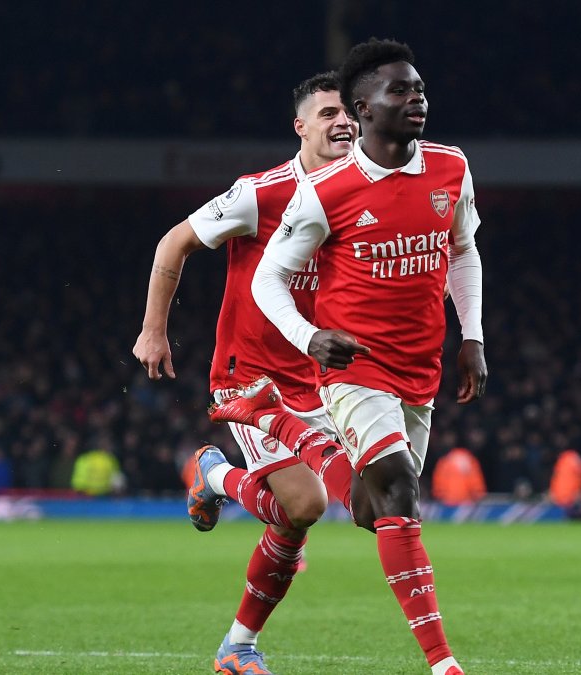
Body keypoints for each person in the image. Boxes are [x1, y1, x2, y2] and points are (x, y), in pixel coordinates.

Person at [221, 39, 485, 675]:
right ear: (363, 109)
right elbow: (266, 281)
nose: (415, 99)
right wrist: (309, 338)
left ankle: (281, 422)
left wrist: (471, 336)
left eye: (418, 88)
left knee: (372, 510)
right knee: (398, 493)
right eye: (400, 91)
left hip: (420, 364)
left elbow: (462, 252)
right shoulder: (326, 192)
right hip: (353, 366)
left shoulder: (451, 168)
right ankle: (443, 663)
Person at [132, 73, 359, 674]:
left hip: (320, 384)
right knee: (307, 503)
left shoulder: (362, 198)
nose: (344, 122)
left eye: (350, 113)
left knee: (294, 521)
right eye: (329, 112)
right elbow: (173, 243)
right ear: (301, 126)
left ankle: (237, 647)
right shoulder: (259, 193)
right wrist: (154, 330)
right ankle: (217, 475)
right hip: (251, 380)